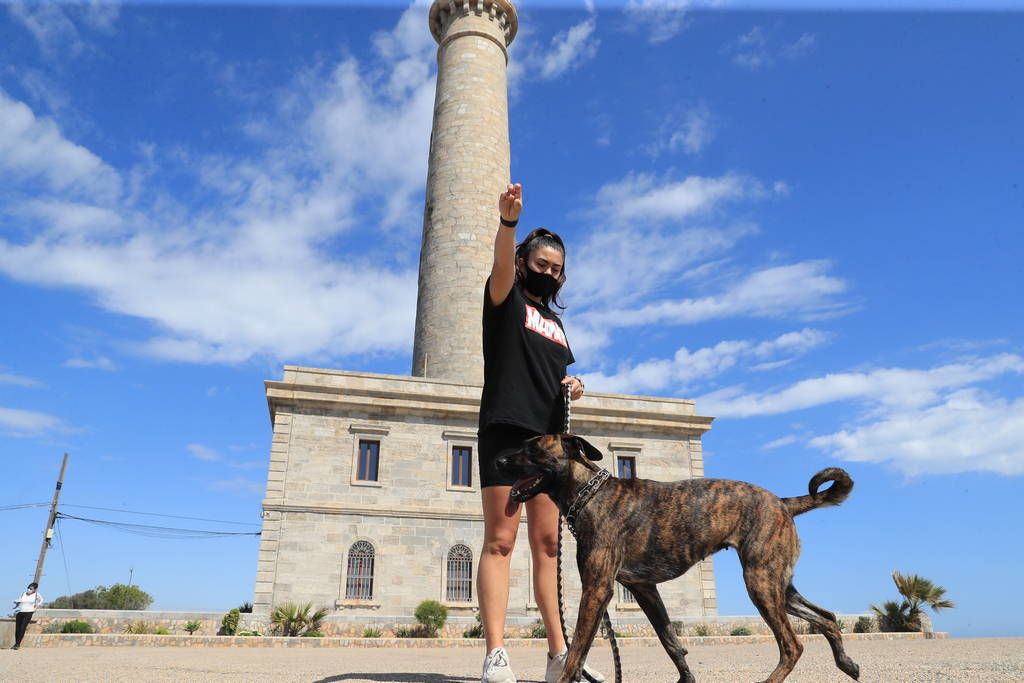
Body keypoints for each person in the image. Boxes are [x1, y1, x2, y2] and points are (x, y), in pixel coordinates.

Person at [476, 183, 603, 683]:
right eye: (541, 263)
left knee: (548, 545)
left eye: (557, 268)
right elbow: (502, 265)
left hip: (550, 447)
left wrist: (571, 383)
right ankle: (496, 654)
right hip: (507, 432)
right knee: (501, 541)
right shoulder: (504, 299)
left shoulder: (555, 323)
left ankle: (559, 656)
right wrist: (508, 224)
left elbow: (551, 371)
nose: (548, 272)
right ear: (526, 259)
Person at [12, 582, 43, 650]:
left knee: (22, 628)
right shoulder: (23, 594)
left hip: (29, 612)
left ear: (34, 589)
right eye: (28, 588)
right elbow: (20, 600)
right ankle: (16, 643)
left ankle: (17, 644)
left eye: (31, 588)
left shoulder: (36, 595)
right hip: (20, 612)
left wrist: (36, 607)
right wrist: (16, 605)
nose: (29, 589)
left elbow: (41, 600)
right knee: (17, 629)